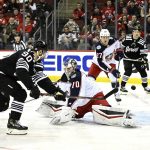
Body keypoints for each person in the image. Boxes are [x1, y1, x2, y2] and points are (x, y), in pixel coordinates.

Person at [37, 58, 135, 128]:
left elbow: (76, 95)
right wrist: (57, 94)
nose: (67, 71)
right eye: (66, 69)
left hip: (94, 97)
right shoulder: (65, 76)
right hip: (81, 102)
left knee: (100, 114)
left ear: (74, 68)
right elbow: (59, 87)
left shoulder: (78, 76)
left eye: (69, 68)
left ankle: (124, 116)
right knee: (73, 114)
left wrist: (68, 107)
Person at [0, 40, 66, 135]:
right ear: (39, 51)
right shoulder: (26, 55)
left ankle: (13, 122)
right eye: (45, 51)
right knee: (20, 94)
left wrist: (55, 91)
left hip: (7, 76)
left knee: (3, 105)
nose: (46, 53)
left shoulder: (37, 62)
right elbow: (21, 72)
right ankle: (13, 123)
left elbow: (41, 78)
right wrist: (32, 87)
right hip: (1, 75)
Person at [87, 29, 123, 102]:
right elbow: (101, 62)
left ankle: (117, 93)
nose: (105, 39)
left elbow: (118, 43)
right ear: (100, 37)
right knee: (90, 80)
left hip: (110, 62)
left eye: (106, 37)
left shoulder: (113, 40)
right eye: (103, 37)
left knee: (114, 78)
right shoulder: (99, 47)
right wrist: (112, 70)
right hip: (97, 64)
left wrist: (119, 50)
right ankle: (89, 94)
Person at [120, 26, 150, 93]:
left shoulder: (142, 41)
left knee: (143, 71)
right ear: (132, 32)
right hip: (127, 58)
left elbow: (144, 52)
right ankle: (122, 86)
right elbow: (121, 47)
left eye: (138, 32)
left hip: (138, 59)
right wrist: (119, 52)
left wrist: (144, 58)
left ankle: (145, 86)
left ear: (140, 33)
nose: (137, 33)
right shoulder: (127, 38)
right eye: (135, 32)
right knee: (128, 71)